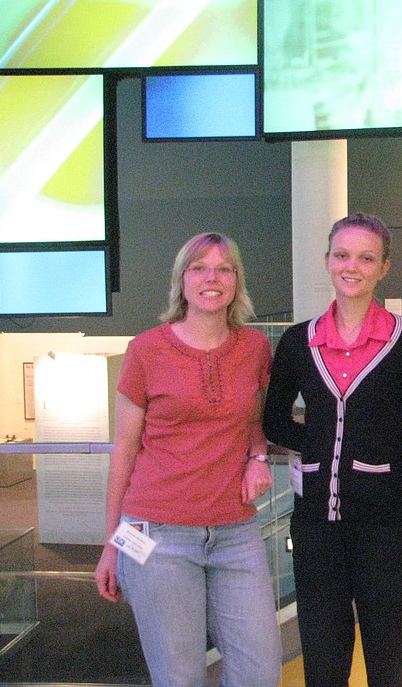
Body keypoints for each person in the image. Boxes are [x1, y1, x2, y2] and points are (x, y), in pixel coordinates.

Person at [262, 213, 402, 687]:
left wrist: (393, 449)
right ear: (327, 261)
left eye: (366, 258)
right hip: (314, 529)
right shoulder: (299, 342)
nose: (352, 267)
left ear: (384, 268)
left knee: (387, 659)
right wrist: (324, 445)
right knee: (322, 661)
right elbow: (274, 420)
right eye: (342, 256)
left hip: (386, 527)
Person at [94, 232, 282, 687]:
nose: (211, 278)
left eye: (224, 268)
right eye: (199, 268)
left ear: (237, 281)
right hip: (156, 535)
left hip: (235, 534)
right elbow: (125, 450)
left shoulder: (255, 348)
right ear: (182, 281)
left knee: (259, 671)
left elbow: (254, 421)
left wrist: (258, 455)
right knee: (178, 677)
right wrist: (110, 544)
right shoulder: (146, 349)